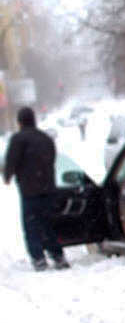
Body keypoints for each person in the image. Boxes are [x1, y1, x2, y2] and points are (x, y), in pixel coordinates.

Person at [3, 107, 67, 271]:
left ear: (20, 122)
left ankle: (38, 258)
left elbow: (11, 160)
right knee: (47, 223)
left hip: (29, 191)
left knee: (31, 225)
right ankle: (57, 255)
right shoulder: (45, 138)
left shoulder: (18, 139)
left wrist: (8, 175)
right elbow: (52, 160)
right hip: (48, 189)